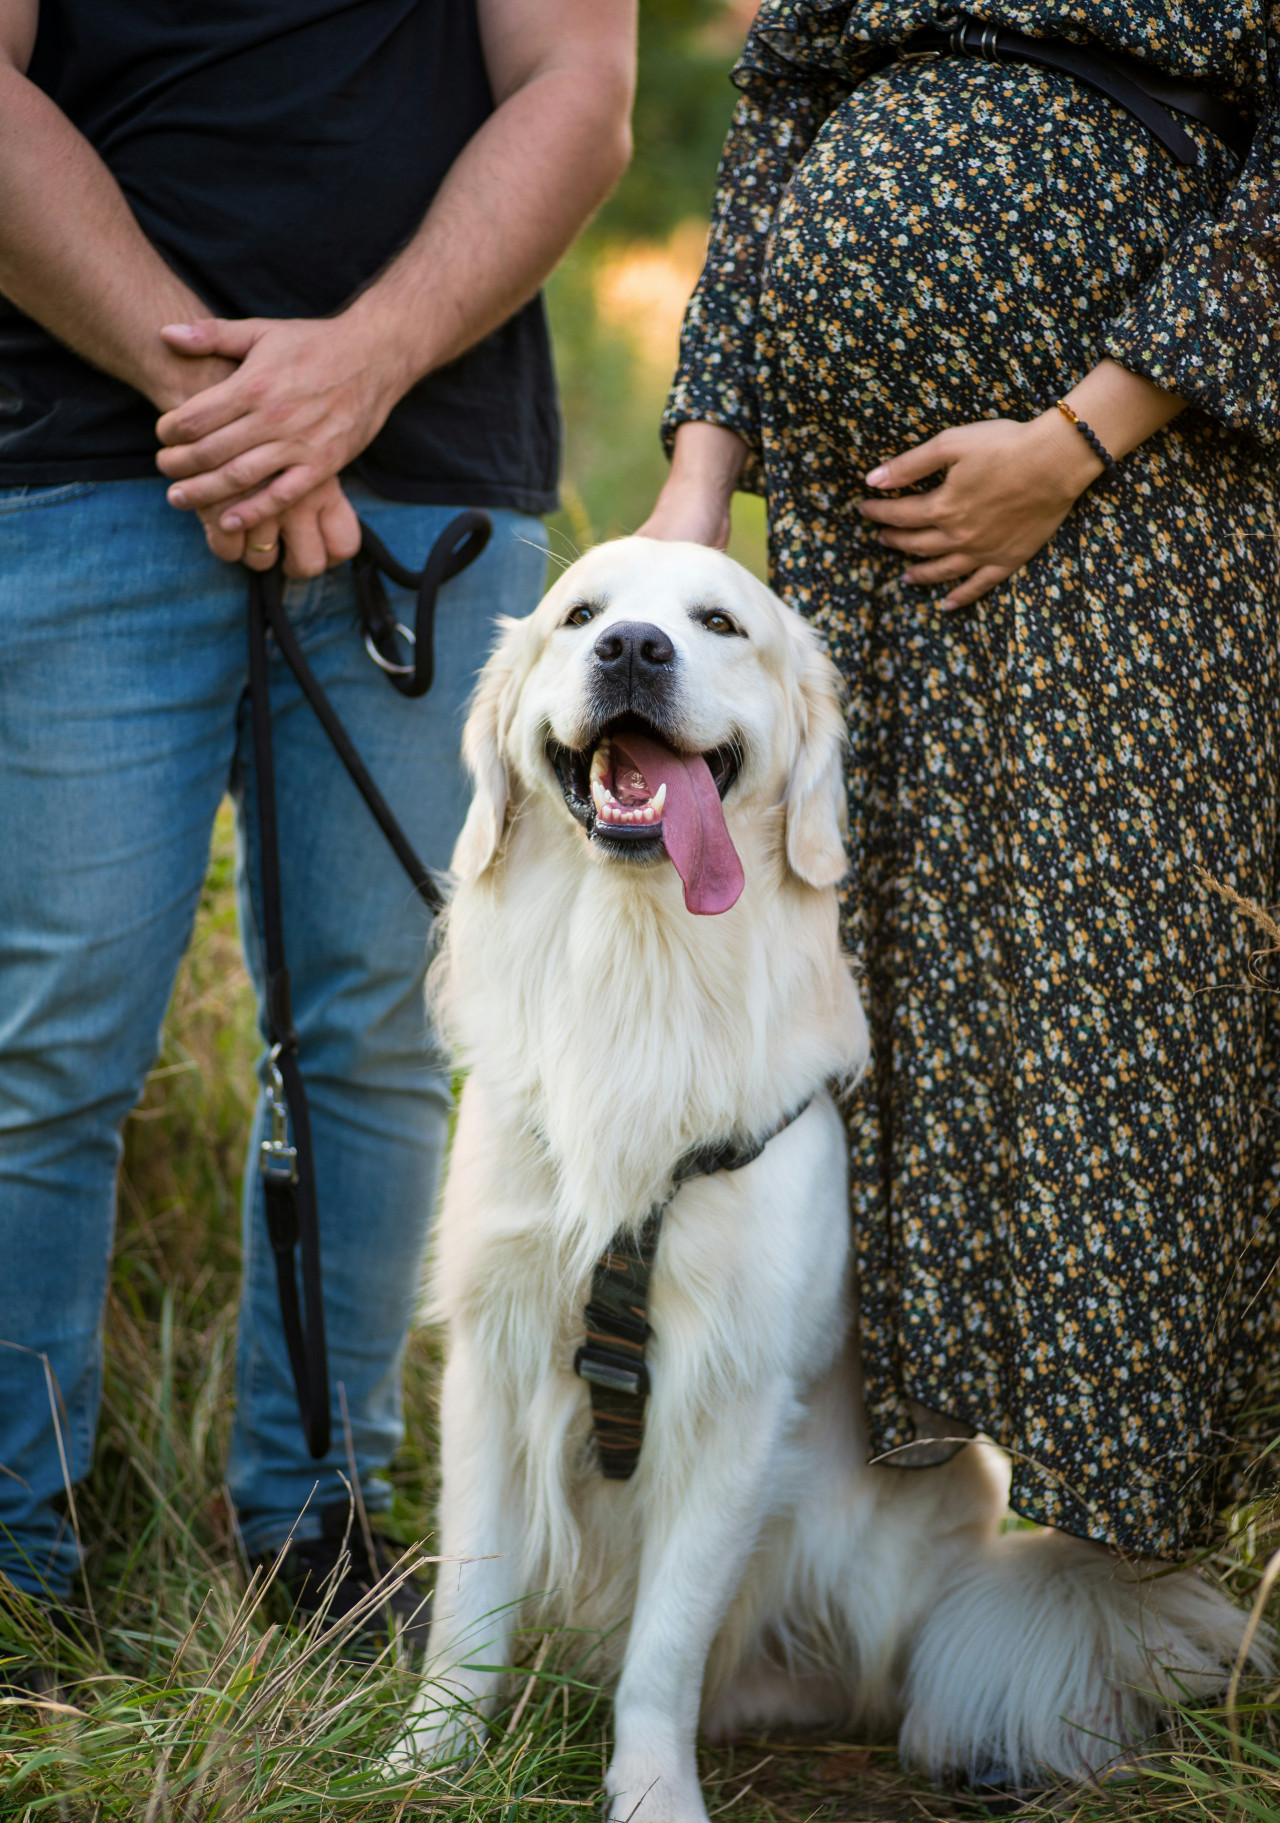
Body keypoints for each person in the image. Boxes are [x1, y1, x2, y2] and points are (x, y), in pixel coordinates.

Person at [0, 0, 635, 1636]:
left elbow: (577, 90)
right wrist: (231, 401)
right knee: (49, 1032)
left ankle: (321, 1537)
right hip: (79, 452)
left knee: (375, 1035)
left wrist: (355, 369)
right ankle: (19, 1554)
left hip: (425, 457)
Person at [644, 1, 1280, 1583]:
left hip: (1150, 483)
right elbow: (779, 110)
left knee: (1131, 996)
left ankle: (1121, 1582)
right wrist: (700, 479)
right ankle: (884, 1556)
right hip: (866, 534)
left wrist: (1077, 438)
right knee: (901, 995)